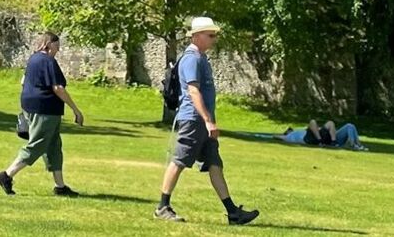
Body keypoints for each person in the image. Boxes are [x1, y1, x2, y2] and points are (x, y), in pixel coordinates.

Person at [157, 17, 259, 225]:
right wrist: (207, 120)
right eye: (210, 35)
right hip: (194, 120)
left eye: (215, 35)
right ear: (196, 36)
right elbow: (193, 91)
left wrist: (209, 120)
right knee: (180, 161)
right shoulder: (192, 59)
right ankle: (162, 207)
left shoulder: (201, 58)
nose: (214, 39)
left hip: (203, 121)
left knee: (214, 164)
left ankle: (233, 213)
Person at [0, 31, 85, 198]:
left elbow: (23, 82)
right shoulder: (48, 61)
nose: (57, 50)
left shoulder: (33, 59)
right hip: (45, 110)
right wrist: (75, 109)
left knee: (53, 147)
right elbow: (58, 88)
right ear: (49, 44)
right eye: (57, 46)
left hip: (32, 106)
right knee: (37, 144)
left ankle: (60, 186)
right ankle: (7, 175)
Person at [280, 120, 367, 151]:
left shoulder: (300, 130)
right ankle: (349, 144)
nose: (290, 129)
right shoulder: (289, 136)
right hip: (321, 138)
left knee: (350, 126)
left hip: (328, 136)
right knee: (329, 123)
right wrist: (277, 136)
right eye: (288, 130)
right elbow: (278, 137)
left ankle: (357, 145)